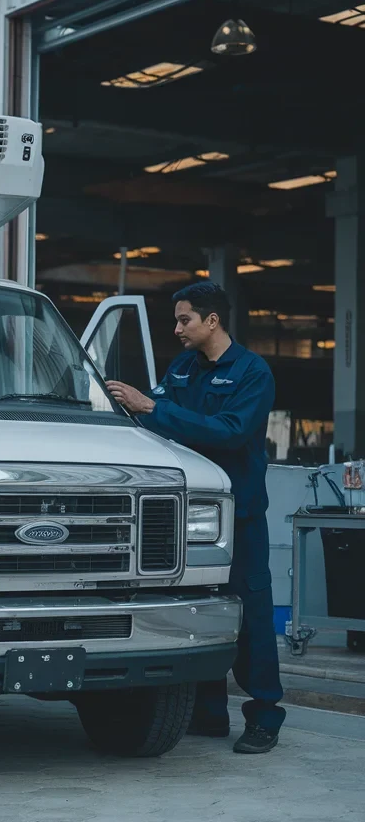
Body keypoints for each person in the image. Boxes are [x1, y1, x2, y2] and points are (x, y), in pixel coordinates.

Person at [106, 281, 285, 754]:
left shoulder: (252, 372)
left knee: (250, 617)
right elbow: (155, 420)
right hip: (188, 519)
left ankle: (265, 716)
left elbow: (229, 433)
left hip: (239, 517)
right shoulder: (184, 367)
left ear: (212, 321)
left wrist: (152, 406)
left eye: (185, 319)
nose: (177, 328)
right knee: (197, 612)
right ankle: (208, 715)